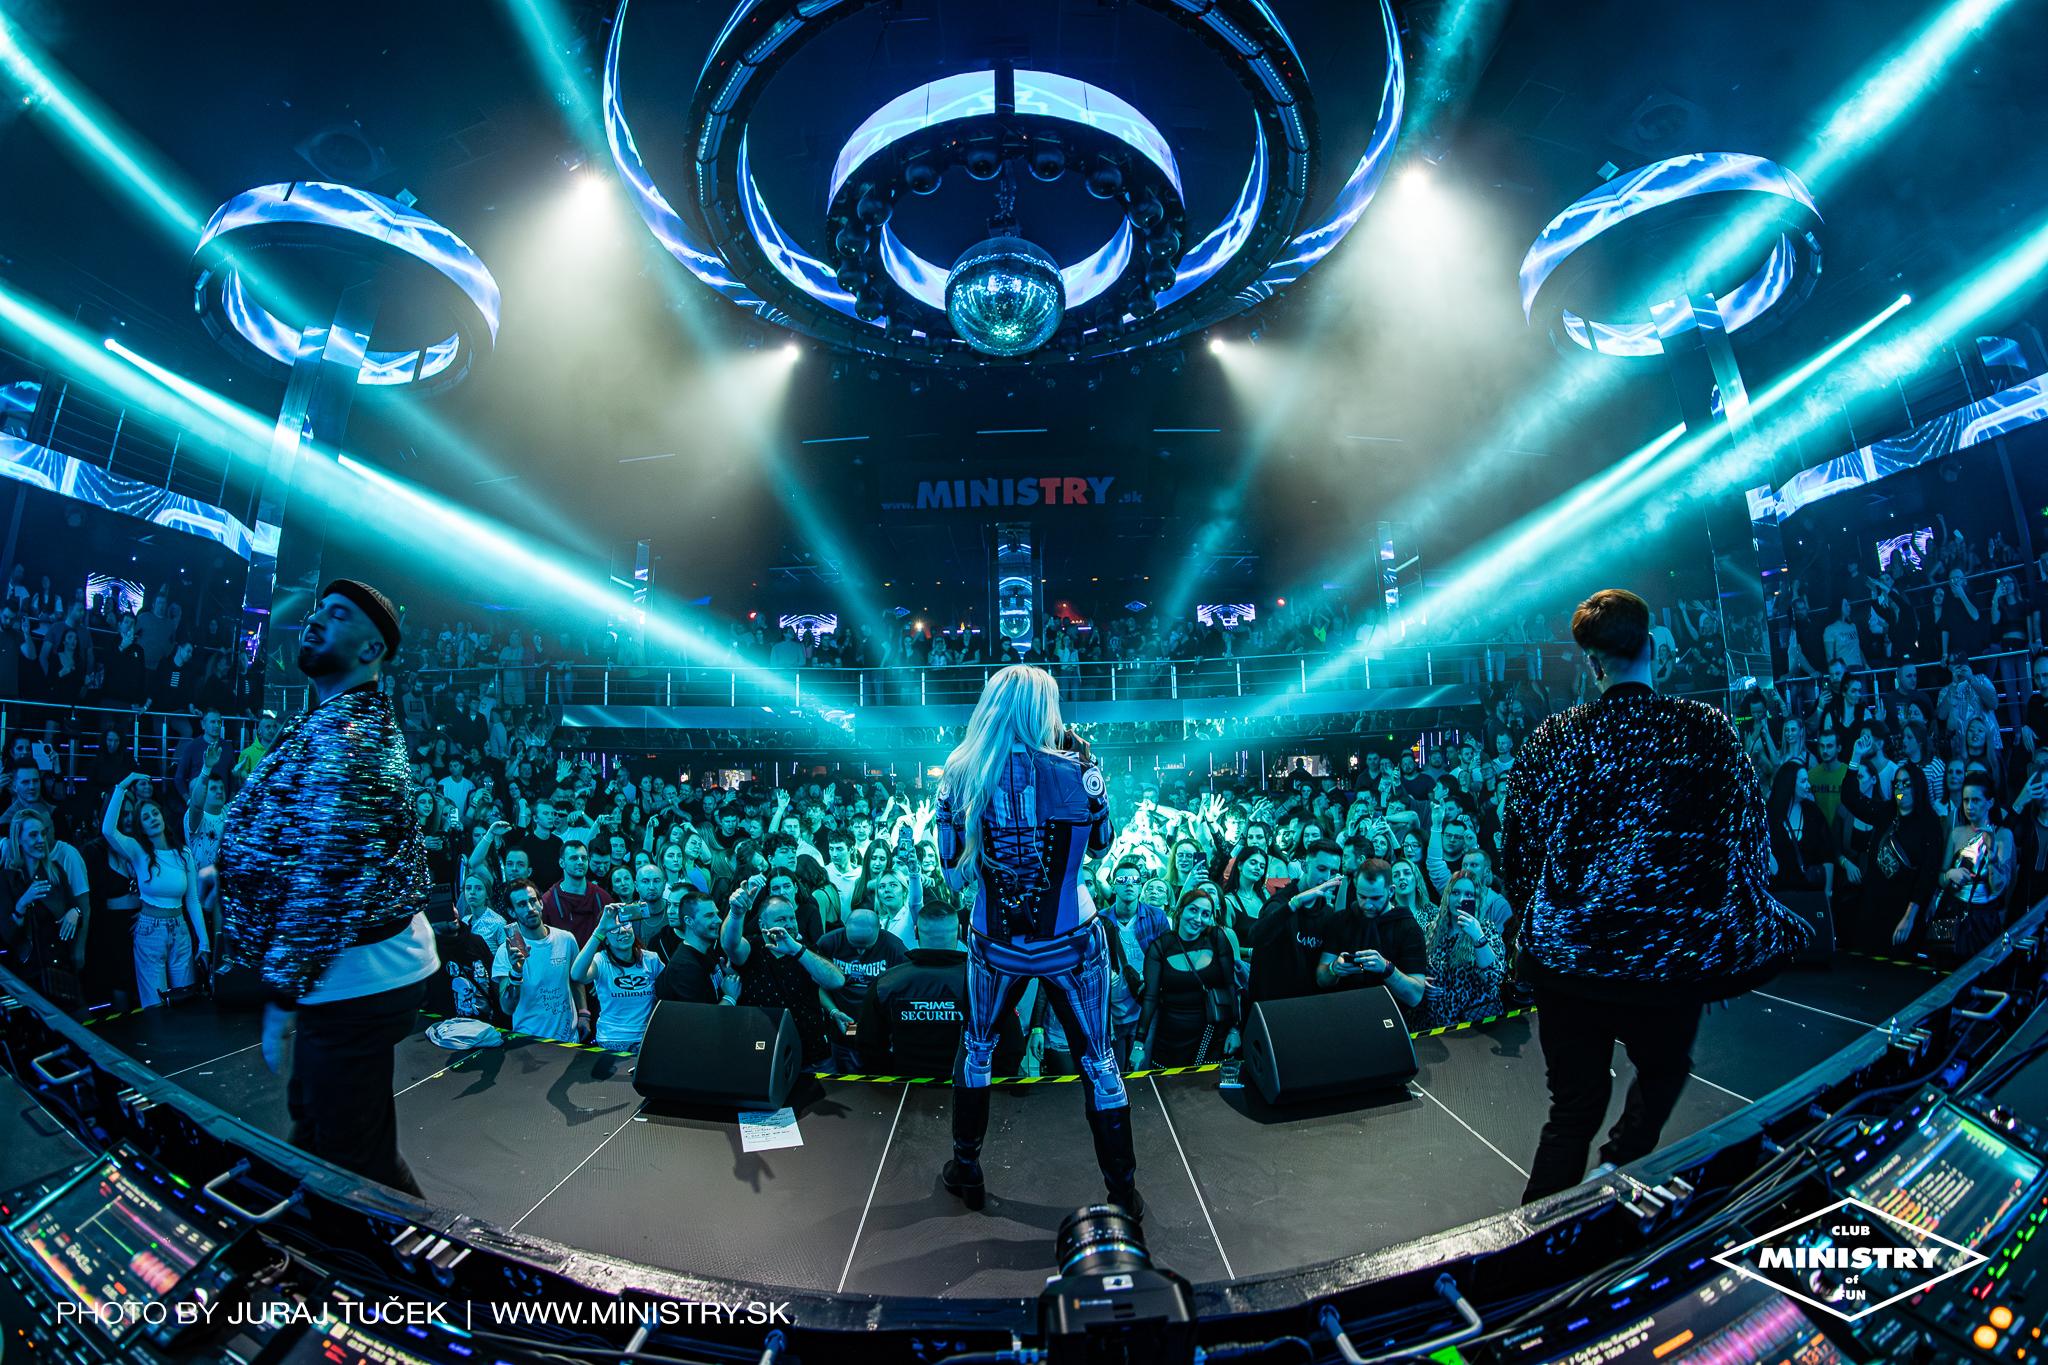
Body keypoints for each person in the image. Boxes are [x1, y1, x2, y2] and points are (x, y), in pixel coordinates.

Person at [1502, 589, 1805, 1204]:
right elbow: (1745, 843)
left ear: (1591, 663)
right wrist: (1722, 945)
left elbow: (1519, 857)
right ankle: (1618, 1164)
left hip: (1567, 962)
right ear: (1654, 650)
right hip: (1668, 961)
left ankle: (1525, 1248)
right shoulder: (1706, 730)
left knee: (1572, 1111)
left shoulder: (1551, 740)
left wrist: (1552, 920)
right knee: (1664, 1072)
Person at [217, 580, 440, 1196]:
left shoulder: (353, 735)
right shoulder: (329, 719)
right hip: (344, 970)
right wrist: (233, 870)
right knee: (323, 1131)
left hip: (356, 974)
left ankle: (410, 1254)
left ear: (371, 649)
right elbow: (303, 832)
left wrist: (282, 995)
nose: (316, 620)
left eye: (338, 615)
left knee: (352, 1159)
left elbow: (331, 871)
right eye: (318, 610)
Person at [935, 665, 1135, 1217]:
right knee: (1100, 1060)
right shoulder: (1079, 769)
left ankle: (967, 1169)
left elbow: (953, 874)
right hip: (1072, 938)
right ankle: (1124, 1195)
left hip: (994, 943)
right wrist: (1087, 771)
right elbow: (1102, 846)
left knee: (977, 1049)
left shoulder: (959, 772)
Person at [858, 899, 1025, 1078]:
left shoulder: (887, 983)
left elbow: (867, 1044)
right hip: (970, 1085)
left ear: (916, 932)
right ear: (960, 931)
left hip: (907, 1085)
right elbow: (1012, 1047)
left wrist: (894, 1076)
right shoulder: (986, 985)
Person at [101, 773, 208, 1009]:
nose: (152, 818)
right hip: (150, 930)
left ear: (162, 815)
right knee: (155, 1006)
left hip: (180, 929)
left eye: (154, 813)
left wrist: (204, 942)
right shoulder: (138, 850)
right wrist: (123, 784)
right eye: (145, 817)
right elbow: (108, 830)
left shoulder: (183, 853)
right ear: (140, 826)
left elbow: (192, 900)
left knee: (185, 1001)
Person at [719, 879, 844, 1064]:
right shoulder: (752, 948)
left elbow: (837, 981)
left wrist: (796, 950)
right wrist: (737, 914)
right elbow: (729, 944)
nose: (789, 924)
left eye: (792, 918)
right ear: (762, 924)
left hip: (812, 1051)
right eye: (781, 920)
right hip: (764, 1051)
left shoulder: (806, 950)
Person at [1129, 887, 1240, 1069]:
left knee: (1207, 1085)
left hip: (1211, 1034)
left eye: (1205, 914)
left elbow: (1230, 986)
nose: (1198, 919)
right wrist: (1139, 1043)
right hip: (1170, 1037)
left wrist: (1235, 1029)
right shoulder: (1161, 947)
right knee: (1168, 1084)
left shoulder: (1216, 938)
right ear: (1181, 910)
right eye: (1193, 910)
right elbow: (1150, 997)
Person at [813, 904, 908, 1072]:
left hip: (879, 1033)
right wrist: (833, 1011)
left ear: (879, 929)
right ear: (845, 927)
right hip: (840, 1027)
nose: (860, 952)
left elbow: (904, 991)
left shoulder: (894, 947)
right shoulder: (828, 943)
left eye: (866, 946)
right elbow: (816, 985)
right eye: (854, 944)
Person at [493, 879, 584, 1041]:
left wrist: (584, 1013)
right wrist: (516, 972)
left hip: (569, 1040)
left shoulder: (566, 939)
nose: (530, 908)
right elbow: (507, 1008)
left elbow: (576, 980)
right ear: (512, 912)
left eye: (533, 901)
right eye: (521, 904)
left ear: (541, 903)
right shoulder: (505, 952)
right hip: (529, 1041)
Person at [570, 904, 662, 1051]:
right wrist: (599, 931)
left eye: (626, 924)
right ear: (606, 939)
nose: (623, 930)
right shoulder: (601, 961)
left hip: (646, 1038)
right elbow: (577, 975)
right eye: (614, 929)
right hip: (612, 1039)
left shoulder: (651, 959)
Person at [1424, 872, 1506, 1027]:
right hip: (1438, 1022)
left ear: (1476, 900)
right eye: (1455, 893)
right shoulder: (1432, 930)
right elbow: (1421, 967)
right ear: (1447, 896)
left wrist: (1477, 936)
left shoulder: (1486, 929)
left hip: (1476, 1022)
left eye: (1469, 894)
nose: (1461, 899)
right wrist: (1422, 983)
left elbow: (1494, 976)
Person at [651, 890, 725, 1004]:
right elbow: (700, 1014)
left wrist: (727, 974)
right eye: (709, 915)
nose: (719, 920)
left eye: (717, 914)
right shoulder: (684, 968)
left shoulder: (706, 950)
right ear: (689, 921)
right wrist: (730, 998)